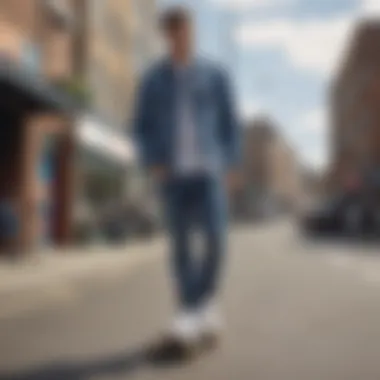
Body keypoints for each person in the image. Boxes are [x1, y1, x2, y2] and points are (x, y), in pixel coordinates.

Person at [134, 6, 241, 357]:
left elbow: (229, 122)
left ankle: (201, 304)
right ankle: (191, 312)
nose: (182, 39)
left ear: (193, 33)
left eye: (187, 32)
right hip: (174, 175)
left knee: (216, 240)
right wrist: (153, 160)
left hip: (208, 171)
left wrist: (230, 163)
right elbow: (141, 126)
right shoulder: (153, 79)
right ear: (167, 36)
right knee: (180, 248)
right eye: (175, 33)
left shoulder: (215, 75)